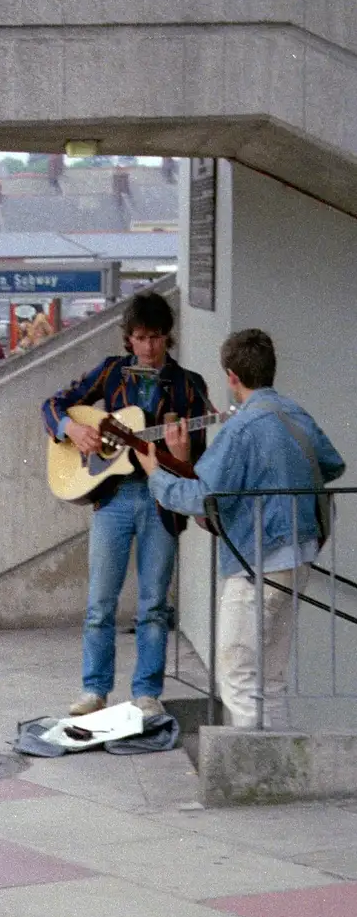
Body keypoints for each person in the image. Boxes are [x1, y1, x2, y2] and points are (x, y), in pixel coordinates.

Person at [145, 328, 345, 729]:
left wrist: (156, 474)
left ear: (232, 376)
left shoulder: (242, 427)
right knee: (269, 680)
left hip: (257, 562)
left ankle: (257, 776)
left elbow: (204, 497)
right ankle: (279, 771)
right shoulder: (294, 413)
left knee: (238, 678)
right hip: (299, 557)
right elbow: (333, 464)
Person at [42, 290, 210, 716]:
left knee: (154, 603)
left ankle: (146, 692)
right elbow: (53, 404)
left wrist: (182, 455)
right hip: (113, 497)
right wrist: (71, 430)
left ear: (167, 338)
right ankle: (94, 690)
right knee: (101, 601)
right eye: (139, 337)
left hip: (162, 501)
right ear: (128, 339)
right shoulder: (113, 373)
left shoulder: (189, 386)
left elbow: (198, 463)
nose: (148, 347)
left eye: (155, 337)